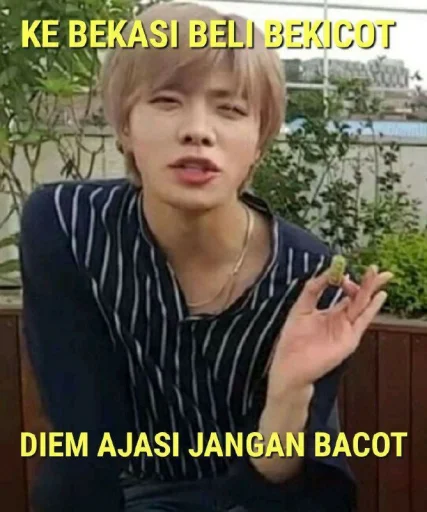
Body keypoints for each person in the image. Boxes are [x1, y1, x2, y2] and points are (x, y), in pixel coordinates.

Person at [19, 2, 392, 511]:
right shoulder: (66, 225)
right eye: (167, 100)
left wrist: (287, 395)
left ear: (260, 141)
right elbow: (83, 438)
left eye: (230, 109)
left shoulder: (306, 275)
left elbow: (288, 489)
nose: (198, 129)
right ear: (125, 125)